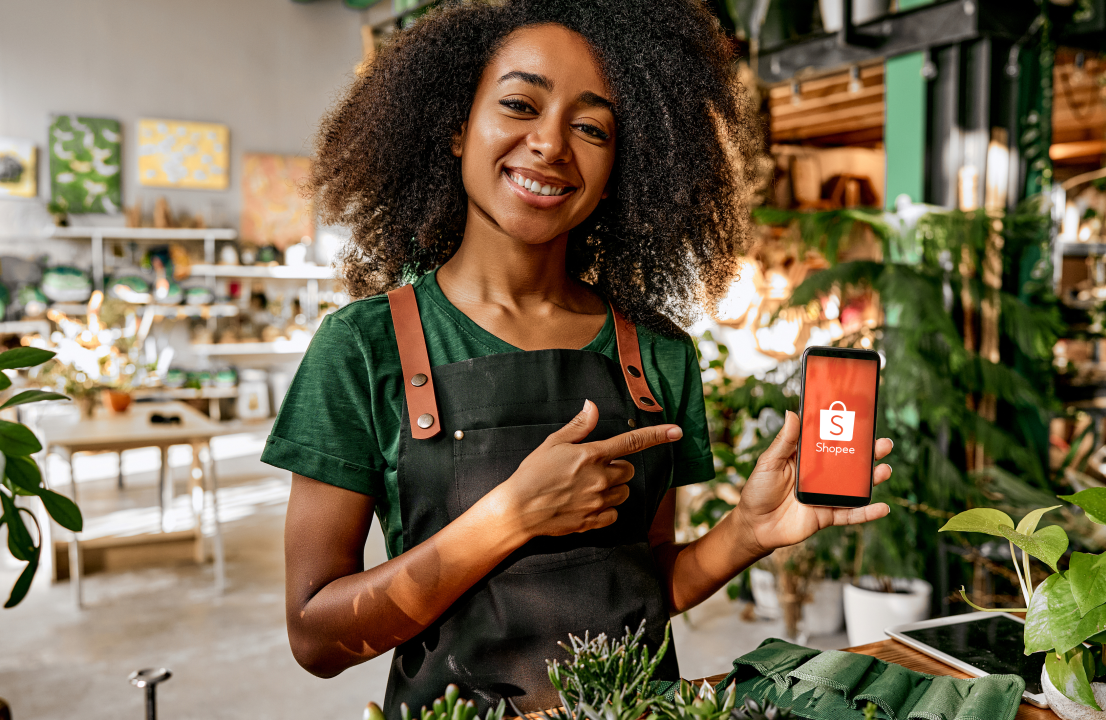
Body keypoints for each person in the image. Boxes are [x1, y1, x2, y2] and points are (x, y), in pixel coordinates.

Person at [262, 0, 895, 713]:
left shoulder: (656, 353)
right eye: (519, 104)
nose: (551, 145)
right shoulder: (362, 348)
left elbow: (642, 585)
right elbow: (315, 640)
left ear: (624, 164)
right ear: (453, 127)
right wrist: (512, 515)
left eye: (591, 127)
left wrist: (746, 534)